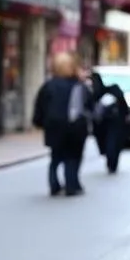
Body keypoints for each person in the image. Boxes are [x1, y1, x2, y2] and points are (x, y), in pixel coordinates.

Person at [32, 52, 91, 196]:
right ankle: (72, 185)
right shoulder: (78, 85)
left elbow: (39, 106)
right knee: (72, 157)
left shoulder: (48, 86)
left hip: (53, 127)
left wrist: (39, 122)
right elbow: (88, 105)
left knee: (55, 157)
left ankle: (54, 185)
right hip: (74, 128)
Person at [89, 71, 129, 173]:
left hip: (113, 123)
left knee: (112, 143)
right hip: (105, 124)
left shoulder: (110, 92)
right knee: (110, 143)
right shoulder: (93, 93)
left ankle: (112, 163)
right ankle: (111, 162)